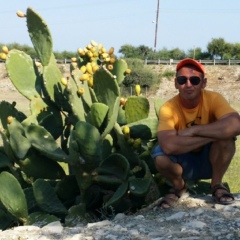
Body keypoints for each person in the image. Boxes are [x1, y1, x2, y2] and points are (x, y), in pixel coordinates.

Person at [152, 58, 240, 209]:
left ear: (204, 83)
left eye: (194, 80)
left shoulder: (214, 99)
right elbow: (168, 145)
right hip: (184, 161)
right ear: (175, 83)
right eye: (182, 80)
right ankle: (180, 187)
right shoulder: (168, 108)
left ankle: (217, 185)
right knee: (159, 157)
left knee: (226, 140)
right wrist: (215, 132)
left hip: (211, 158)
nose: (188, 85)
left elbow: (236, 124)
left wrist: (194, 130)